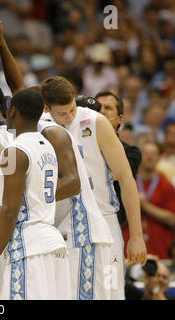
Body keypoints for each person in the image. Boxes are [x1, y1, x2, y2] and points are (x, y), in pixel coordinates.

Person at [41, 76, 147, 299]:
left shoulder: (95, 121)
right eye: (63, 113)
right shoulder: (41, 125)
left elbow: (127, 178)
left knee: (110, 293)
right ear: (46, 108)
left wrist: (136, 236)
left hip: (103, 223)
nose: (69, 116)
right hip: (61, 228)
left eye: (72, 108)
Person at [0, 89, 70, 300]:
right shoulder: (47, 146)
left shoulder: (14, 151)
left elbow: (10, 211)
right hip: (54, 246)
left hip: (29, 248)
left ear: (12, 111)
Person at [95, 91, 143, 225]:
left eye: (108, 108)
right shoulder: (77, 146)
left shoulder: (131, 152)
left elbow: (116, 174)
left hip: (112, 221)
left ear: (120, 119)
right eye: (98, 108)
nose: (102, 112)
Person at [123, 140, 175, 259]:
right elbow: (119, 220)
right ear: (140, 156)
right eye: (146, 153)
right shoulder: (127, 183)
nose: (150, 157)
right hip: (129, 254)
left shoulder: (166, 185)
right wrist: (134, 206)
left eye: (153, 154)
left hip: (161, 252)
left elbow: (172, 219)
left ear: (159, 157)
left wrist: (145, 206)